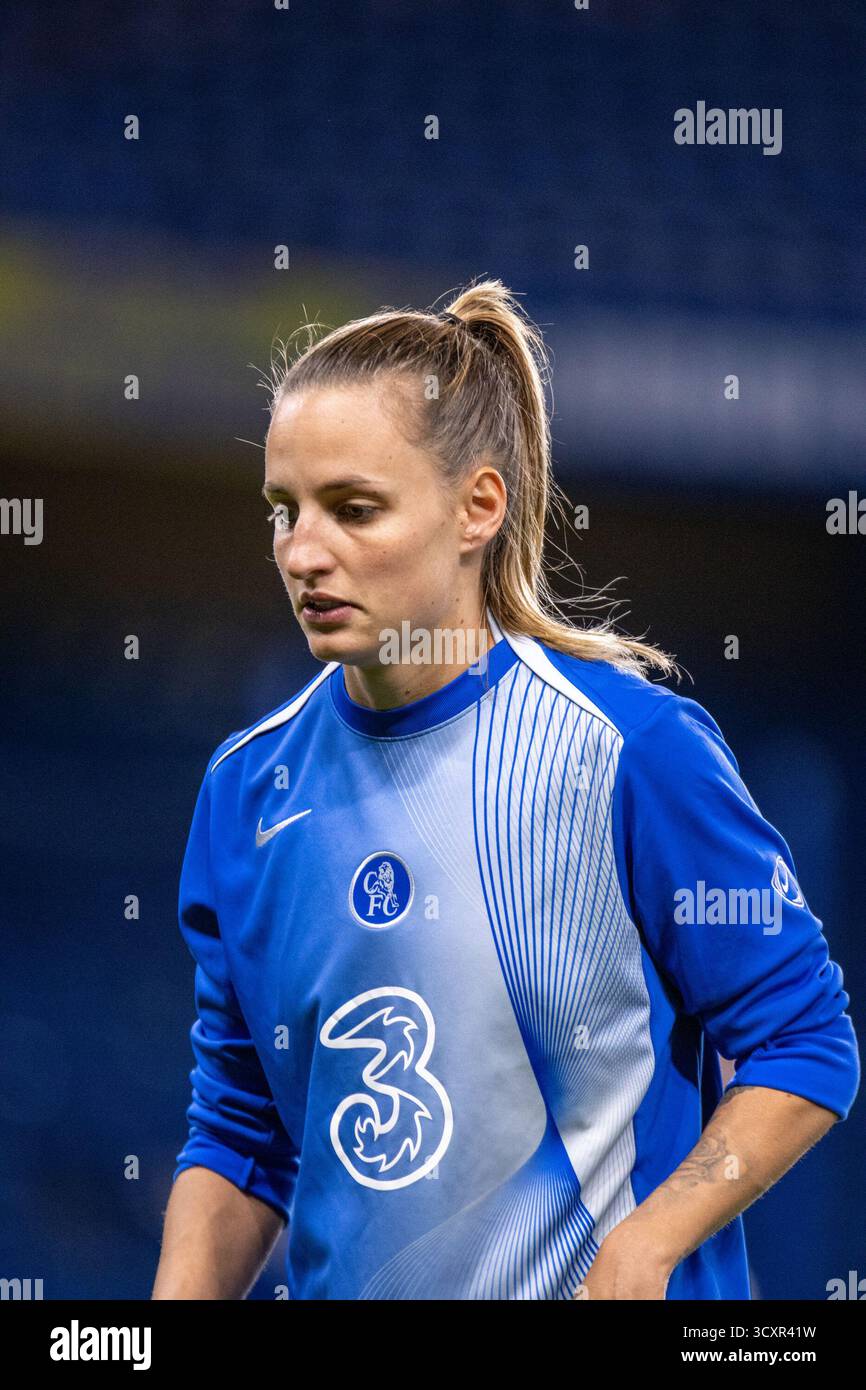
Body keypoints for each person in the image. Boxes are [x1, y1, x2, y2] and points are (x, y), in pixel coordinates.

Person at [153, 279, 859, 1300]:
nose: (303, 553)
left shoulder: (629, 748)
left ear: (476, 506)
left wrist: (648, 1241)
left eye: (353, 508)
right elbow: (242, 1134)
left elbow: (802, 1040)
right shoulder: (244, 789)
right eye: (283, 511)